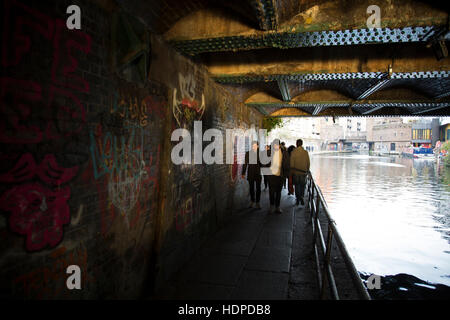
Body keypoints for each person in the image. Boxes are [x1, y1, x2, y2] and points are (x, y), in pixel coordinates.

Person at [264, 139, 290, 214]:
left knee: (278, 192)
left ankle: (277, 207)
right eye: (274, 145)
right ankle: (272, 206)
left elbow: (287, 163)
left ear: (279, 145)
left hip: (280, 176)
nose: (275, 146)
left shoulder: (284, 153)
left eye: (277, 145)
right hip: (271, 176)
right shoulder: (269, 152)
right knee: (271, 191)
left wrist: (286, 175)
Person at [241, 141, 262, 209]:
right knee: (251, 188)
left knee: (258, 188)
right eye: (253, 145)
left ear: (258, 146)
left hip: (258, 173)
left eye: (255, 145)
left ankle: (258, 202)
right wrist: (243, 173)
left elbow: (263, 164)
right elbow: (245, 164)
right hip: (251, 173)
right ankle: (252, 201)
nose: (254, 147)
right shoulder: (248, 153)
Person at [290, 139, 310, 206]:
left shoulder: (293, 152)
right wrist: (307, 170)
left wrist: (292, 171)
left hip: (296, 172)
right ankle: (301, 196)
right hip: (303, 172)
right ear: (302, 144)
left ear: (296, 144)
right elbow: (308, 163)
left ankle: (298, 198)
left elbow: (291, 164)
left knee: (297, 185)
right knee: (302, 185)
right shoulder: (305, 152)